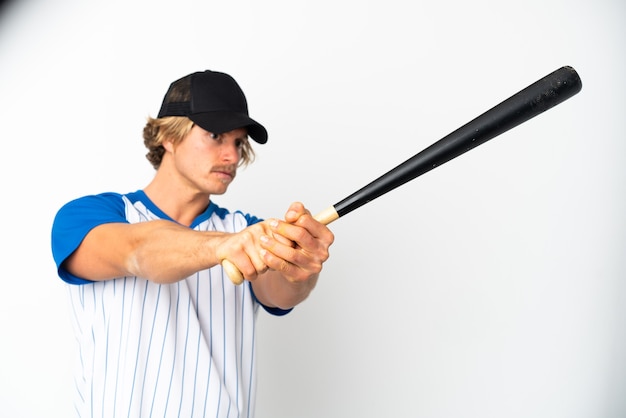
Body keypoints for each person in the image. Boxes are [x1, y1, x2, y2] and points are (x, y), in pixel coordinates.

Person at [51, 70, 334, 417]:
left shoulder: (245, 230)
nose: (231, 156)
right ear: (169, 136)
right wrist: (225, 246)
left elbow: (281, 292)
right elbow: (140, 252)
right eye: (215, 135)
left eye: (239, 142)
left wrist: (300, 265)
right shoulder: (90, 216)